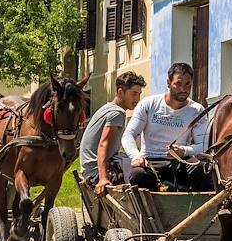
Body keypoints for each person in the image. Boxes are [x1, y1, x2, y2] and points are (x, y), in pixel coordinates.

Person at [121, 63, 212, 191]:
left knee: (204, 171)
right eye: (178, 84)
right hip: (151, 161)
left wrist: (183, 150)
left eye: (188, 84)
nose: (183, 89)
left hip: (181, 161)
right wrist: (136, 157)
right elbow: (128, 135)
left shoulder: (197, 110)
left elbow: (203, 145)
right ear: (168, 83)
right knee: (137, 175)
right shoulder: (149, 104)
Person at [79, 71, 146, 195]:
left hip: (88, 169)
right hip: (96, 172)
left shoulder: (107, 108)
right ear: (120, 92)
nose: (137, 99)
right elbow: (103, 145)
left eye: (139, 94)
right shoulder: (117, 113)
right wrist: (103, 178)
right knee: (144, 175)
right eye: (134, 94)